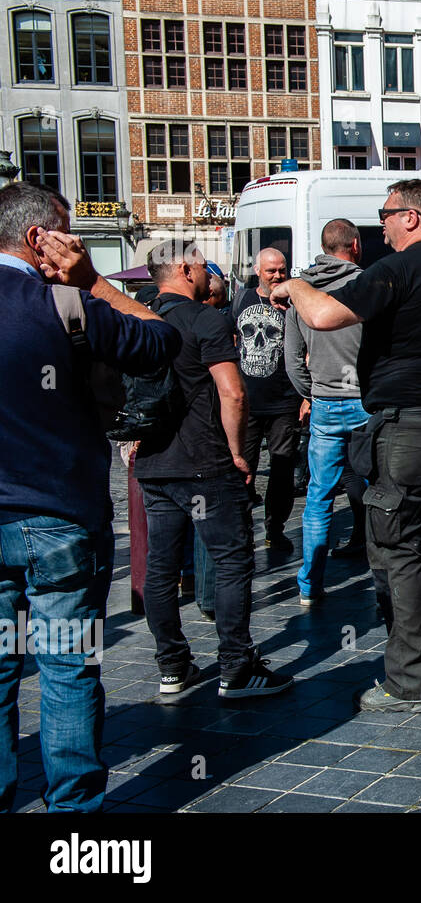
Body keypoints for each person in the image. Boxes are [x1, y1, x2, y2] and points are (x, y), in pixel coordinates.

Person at [271, 179, 421, 711]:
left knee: (398, 551)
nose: (382, 227)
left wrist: (294, 287)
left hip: (407, 429)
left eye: (386, 215)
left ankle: (408, 682)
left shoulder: (396, 269)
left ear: (412, 218)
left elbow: (324, 315)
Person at [0, 182, 180, 812]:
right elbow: (161, 340)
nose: (74, 241)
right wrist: (94, 279)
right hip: (59, 514)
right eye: (67, 229)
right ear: (37, 238)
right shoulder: (63, 305)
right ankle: (73, 816)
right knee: (67, 666)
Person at [135, 241, 295, 700]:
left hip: (154, 461)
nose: (210, 275)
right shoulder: (205, 318)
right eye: (203, 267)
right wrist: (238, 453)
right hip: (204, 460)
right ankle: (236, 668)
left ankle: (172, 666)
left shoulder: (141, 317)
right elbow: (233, 393)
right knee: (230, 561)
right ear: (185, 271)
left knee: (161, 569)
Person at [284, 218, 370, 606]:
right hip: (365, 400)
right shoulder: (368, 285)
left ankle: (309, 584)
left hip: (325, 403)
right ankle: (385, 571)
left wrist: (313, 390)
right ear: (354, 245)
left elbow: (291, 361)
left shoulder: (302, 291)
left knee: (319, 497)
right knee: (379, 487)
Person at [232, 247, 309, 552]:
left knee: (282, 469)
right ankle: (240, 530)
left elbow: (307, 351)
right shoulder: (241, 301)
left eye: (282, 270)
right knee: (242, 468)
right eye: (271, 271)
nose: (278, 275)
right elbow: (231, 343)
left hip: (284, 403)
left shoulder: (295, 304)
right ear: (257, 270)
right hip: (247, 403)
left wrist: (306, 397)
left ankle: (274, 528)